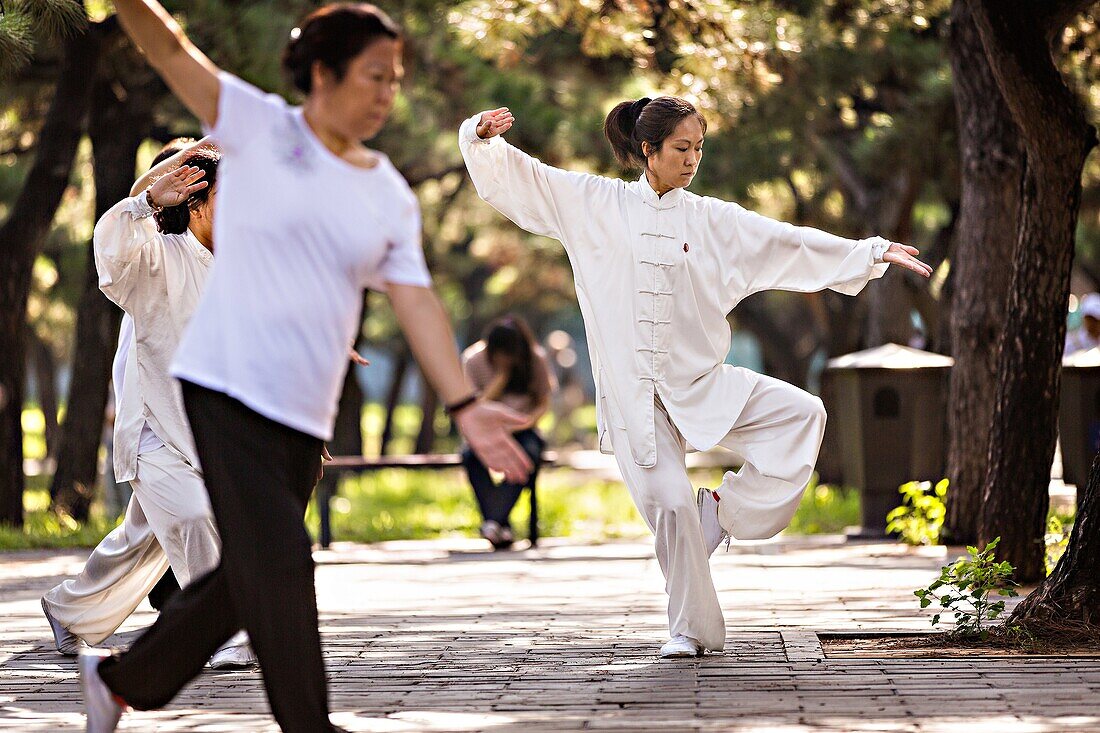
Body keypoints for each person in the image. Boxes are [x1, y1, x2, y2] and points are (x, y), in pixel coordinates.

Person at [79, 4, 533, 733]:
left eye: (397, 78)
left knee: (247, 572)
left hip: (302, 407)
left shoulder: (383, 187)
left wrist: (465, 405)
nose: (389, 92)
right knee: (285, 563)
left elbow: (415, 301)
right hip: (223, 387)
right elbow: (169, 48)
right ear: (322, 74)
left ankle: (121, 678)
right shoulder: (261, 130)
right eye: (374, 75)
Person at [459, 99, 932, 658]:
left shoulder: (713, 219)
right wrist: (481, 137)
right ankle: (689, 631)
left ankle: (723, 514)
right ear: (647, 151)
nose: (692, 160)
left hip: (702, 385)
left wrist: (870, 251)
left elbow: (786, 241)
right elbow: (527, 181)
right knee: (672, 506)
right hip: (636, 399)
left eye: (698, 149)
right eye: (681, 149)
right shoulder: (595, 204)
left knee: (804, 415)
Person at [42, 141, 257, 669]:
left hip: (209, 430)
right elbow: (112, 249)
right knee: (194, 518)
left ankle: (68, 611)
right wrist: (146, 201)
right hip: (155, 428)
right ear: (200, 204)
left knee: (142, 540)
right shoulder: (159, 257)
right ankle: (219, 632)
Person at [462, 316, 556, 549]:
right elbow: (474, 406)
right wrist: (501, 378)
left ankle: (494, 522)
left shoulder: (534, 358)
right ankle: (499, 523)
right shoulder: (473, 360)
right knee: (470, 457)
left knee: (526, 455)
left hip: (524, 428)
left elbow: (543, 402)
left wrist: (525, 423)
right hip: (487, 430)